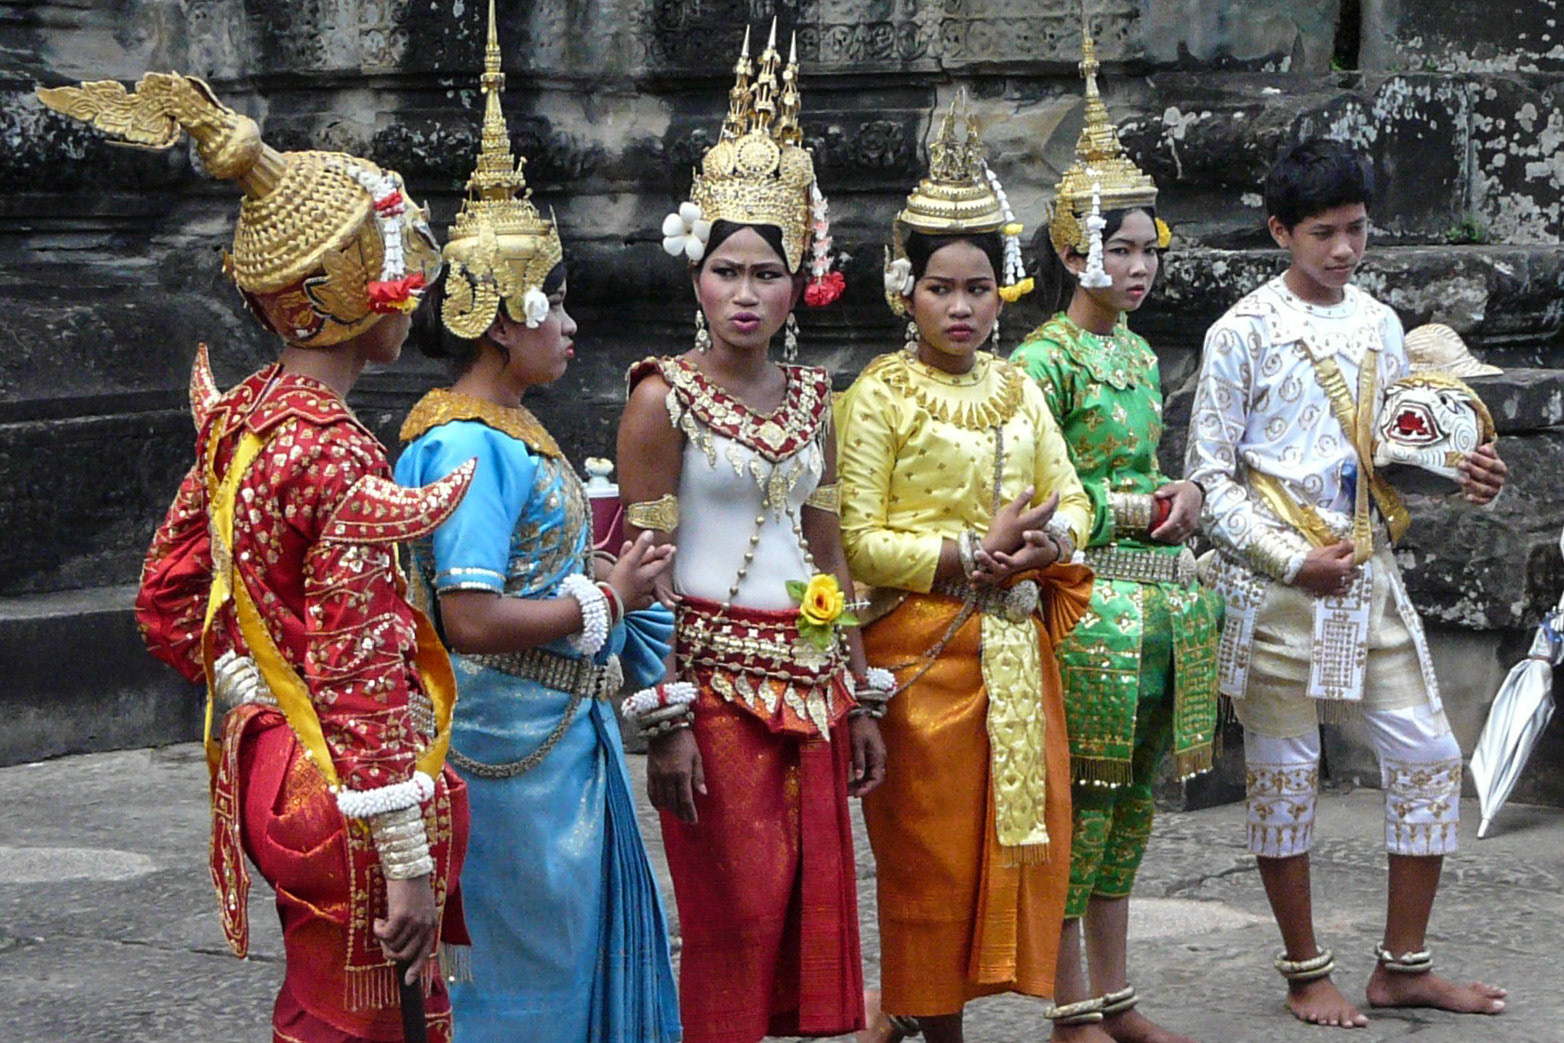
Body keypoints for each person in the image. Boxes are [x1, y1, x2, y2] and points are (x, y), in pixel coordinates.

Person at [46, 72, 474, 1041]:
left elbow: (167, 598)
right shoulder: (336, 451)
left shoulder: (240, 418)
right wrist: (406, 855)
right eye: (396, 264)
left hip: (272, 764)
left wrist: (245, 686)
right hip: (349, 797)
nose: (414, 287)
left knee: (310, 1003)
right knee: (368, 1022)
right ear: (341, 292)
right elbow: (361, 673)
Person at [393, 7, 681, 1040]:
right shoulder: (465, 444)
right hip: (506, 749)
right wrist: (603, 596)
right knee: (527, 978)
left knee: (569, 955)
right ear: (502, 313)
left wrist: (605, 582)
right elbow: (467, 617)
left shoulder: (511, 430)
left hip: (560, 734)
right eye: (555, 305)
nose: (570, 326)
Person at [1186, 137, 1510, 1030]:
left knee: (1430, 759)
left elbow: (1400, 452)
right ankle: (1305, 970)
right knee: (1285, 778)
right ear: (1279, 230)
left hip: (1364, 576)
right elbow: (1210, 482)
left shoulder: (1377, 325)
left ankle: (1403, 965)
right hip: (1277, 585)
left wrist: (1465, 472)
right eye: (1322, 232)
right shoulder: (1239, 333)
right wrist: (1291, 559)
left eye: (1356, 230)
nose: (1342, 250)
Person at [615, 22, 886, 1043]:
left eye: (764, 273)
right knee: (736, 907)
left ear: (796, 283)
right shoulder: (661, 398)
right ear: (696, 273)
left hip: (813, 676)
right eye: (726, 269)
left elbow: (831, 554)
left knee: (811, 917)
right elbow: (637, 568)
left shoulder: (816, 395)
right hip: (714, 681)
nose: (744, 293)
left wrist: (859, 692)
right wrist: (665, 715)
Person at [840, 96, 1095, 1043]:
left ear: (1005, 291)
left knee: (1022, 840)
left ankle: (938, 1007)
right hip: (920, 657)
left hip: (1018, 654)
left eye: (979, 288)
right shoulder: (876, 396)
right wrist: (963, 557)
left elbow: (1073, 498)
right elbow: (860, 541)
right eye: (942, 288)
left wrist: (1047, 545)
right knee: (929, 859)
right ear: (905, 289)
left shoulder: (1021, 388)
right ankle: (927, 1018)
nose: (961, 307)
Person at [1007, 29, 1220, 1043]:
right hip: (1085, 599)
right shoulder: (1042, 361)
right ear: (1066, 247)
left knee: (1133, 804)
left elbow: (1135, 476)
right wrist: (1135, 506)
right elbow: (1043, 493)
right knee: (1082, 804)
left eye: (1146, 246)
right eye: (1116, 246)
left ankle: (1118, 994)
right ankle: (1066, 1004)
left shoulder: (1134, 353)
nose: (1136, 265)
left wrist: (1172, 496)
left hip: (1155, 598)